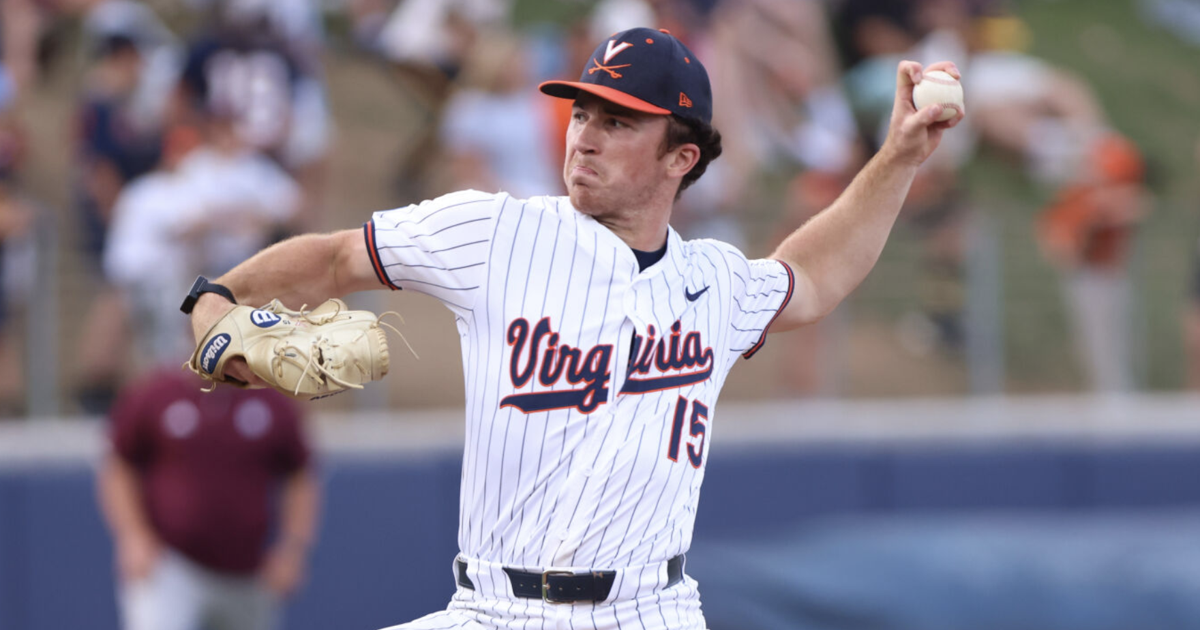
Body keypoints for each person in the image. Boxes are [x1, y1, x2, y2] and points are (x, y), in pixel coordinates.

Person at [182, 27, 962, 629]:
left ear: (680, 157)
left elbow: (816, 276)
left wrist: (897, 157)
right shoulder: (495, 233)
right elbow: (335, 257)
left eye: (618, 122)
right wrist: (211, 300)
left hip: (647, 611)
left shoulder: (714, 284)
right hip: (494, 607)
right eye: (581, 111)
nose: (583, 133)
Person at [97, 366, 320, 630]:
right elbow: (119, 463)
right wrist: (133, 536)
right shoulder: (157, 393)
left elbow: (301, 475)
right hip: (171, 567)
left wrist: (291, 550)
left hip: (248, 573)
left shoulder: (271, 400)